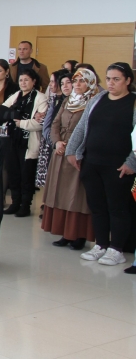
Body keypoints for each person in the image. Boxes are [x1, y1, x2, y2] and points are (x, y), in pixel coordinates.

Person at [66, 62, 136, 266]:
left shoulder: (132, 103)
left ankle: (117, 248)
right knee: (97, 206)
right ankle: (101, 244)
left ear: (128, 81)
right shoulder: (98, 99)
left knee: (118, 207)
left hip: (119, 166)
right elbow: (81, 127)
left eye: (116, 79)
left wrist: (132, 162)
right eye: (109, 79)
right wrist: (72, 150)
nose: (111, 83)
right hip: (92, 162)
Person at [42, 69, 91, 249]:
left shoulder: (92, 102)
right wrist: (56, 142)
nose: (76, 85)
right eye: (74, 81)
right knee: (59, 192)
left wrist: (71, 147)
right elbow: (55, 123)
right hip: (60, 151)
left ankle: (78, 235)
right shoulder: (68, 101)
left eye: (80, 82)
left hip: (76, 153)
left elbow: (87, 130)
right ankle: (64, 233)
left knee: (75, 195)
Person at [0, 69, 48, 217]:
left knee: (26, 175)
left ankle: (25, 205)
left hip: (29, 141)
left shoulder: (40, 98)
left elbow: (40, 123)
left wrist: (20, 123)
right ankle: (15, 202)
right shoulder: (16, 95)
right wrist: (15, 117)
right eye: (21, 80)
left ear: (34, 81)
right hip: (13, 140)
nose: (23, 83)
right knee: (14, 173)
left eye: (26, 80)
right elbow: (2, 112)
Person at [36, 69, 69, 188]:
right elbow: (49, 121)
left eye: (52, 81)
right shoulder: (54, 98)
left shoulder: (66, 100)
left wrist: (54, 140)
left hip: (59, 141)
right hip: (50, 140)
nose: (50, 84)